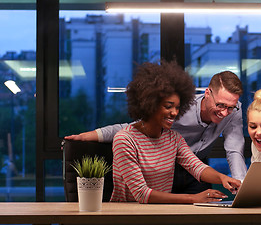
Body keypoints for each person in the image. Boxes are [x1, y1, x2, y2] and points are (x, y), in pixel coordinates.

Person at [65, 71, 247, 194]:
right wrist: (88, 136)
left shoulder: (233, 112)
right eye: (220, 105)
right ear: (208, 93)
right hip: (165, 169)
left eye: (230, 107)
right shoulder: (179, 108)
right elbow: (132, 128)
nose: (225, 113)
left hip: (196, 169)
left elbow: (232, 150)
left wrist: (238, 184)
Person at [109, 61, 241, 203]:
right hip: (126, 216)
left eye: (177, 107)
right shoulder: (124, 140)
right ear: (150, 104)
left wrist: (223, 178)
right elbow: (142, 194)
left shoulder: (173, 138)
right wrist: (194, 198)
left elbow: (197, 167)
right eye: (168, 106)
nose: (174, 113)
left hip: (161, 213)